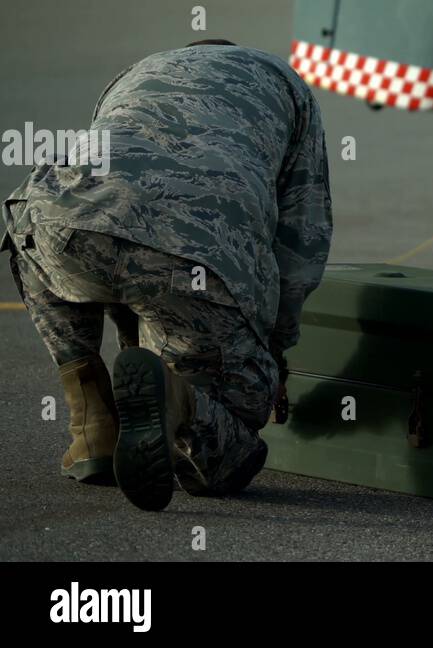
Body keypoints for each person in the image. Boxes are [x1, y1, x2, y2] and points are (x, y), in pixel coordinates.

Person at [0, 40, 333, 511]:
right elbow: (301, 241)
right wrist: (272, 351)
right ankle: (180, 400)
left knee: (47, 235)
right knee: (231, 446)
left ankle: (93, 427)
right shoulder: (290, 89)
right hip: (193, 253)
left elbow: (117, 208)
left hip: (57, 222)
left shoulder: (138, 70)